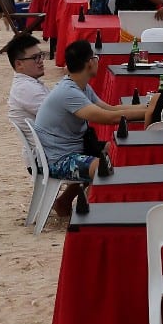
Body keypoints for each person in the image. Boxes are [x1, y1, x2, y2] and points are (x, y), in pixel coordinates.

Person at [32, 40, 147, 212]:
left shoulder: (79, 85)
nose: (97, 61)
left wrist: (149, 107)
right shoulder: (69, 92)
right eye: (95, 57)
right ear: (89, 62)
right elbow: (110, 118)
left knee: (114, 151)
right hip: (56, 159)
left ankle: (64, 202)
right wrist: (150, 111)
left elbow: (112, 108)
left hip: (67, 151)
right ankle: (94, 215)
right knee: (102, 167)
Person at [5, 34, 49, 130]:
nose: (41, 61)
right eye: (35, 57)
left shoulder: (27, 83)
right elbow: (60, 117)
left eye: (41, 56)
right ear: (19, 64)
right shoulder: (26, 88)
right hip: (52, 144)